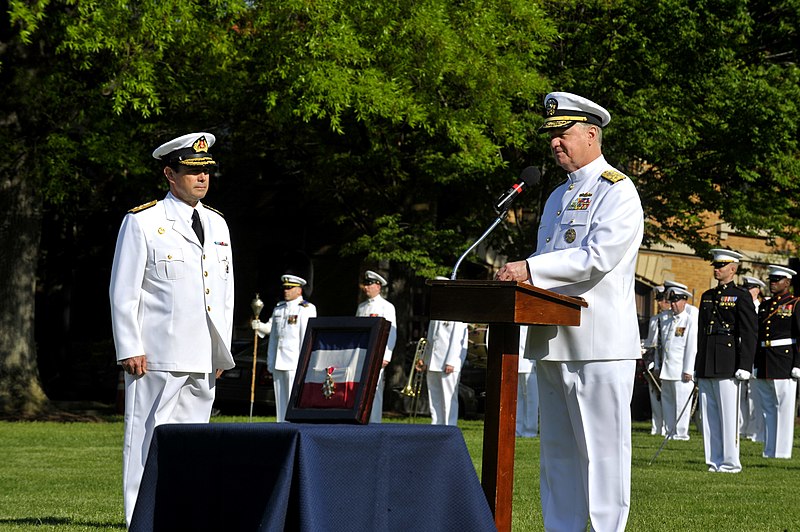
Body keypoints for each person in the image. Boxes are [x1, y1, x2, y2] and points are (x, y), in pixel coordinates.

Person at [494, 91, 643, 531]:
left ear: (592, 134)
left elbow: (598, 256)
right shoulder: (557, 197)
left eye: (564, 133)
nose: (556, 142)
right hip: (552, 340)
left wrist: (529, 268)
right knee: (557, 454)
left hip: (600, 343)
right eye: (551, 136)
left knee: (602, 454)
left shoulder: (617, 189)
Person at [109, 132, 235, 526]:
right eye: (191, 171)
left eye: (206, 172)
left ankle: (182, 516)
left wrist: (220, 349)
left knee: (193, 445)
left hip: (201, 355)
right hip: (156, 355)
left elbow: (224, 292)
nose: (201, 179)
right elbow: (123, 289)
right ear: (169, 173)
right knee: (145, 440)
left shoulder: (217, 223)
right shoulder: (143, 221)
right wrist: (129, 345)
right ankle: (138, 520)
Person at [694, 248, 757, 473]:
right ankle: (714, 460)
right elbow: (701, 333)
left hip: (728, 360)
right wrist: (697, 364)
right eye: (715, 266)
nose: (717, 269)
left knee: (728, 415)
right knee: (709, 416)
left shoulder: (741, 296)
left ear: (733, 269)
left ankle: (731, 462)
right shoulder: (707, 295)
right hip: (707, 360)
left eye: (721, 266)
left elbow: (749, 332)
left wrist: (745, 365)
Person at [252, 274, 317, 422]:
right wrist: (259, 326)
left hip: (294, 362)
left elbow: (306, 338)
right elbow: (272, 331)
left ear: (299, 290)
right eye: (285, 288)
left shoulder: (306, 309)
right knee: (280, 400)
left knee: (292, 400)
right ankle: (281, 425)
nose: (286, 291)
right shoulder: (279, 308)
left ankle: (293, 425)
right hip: (278, 361)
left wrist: (305, 363)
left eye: (290, 288)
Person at [753, 265, 800, 458]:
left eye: (777, 279)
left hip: (784, 360)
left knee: (784, 409)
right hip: (765, 359)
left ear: (787, 282)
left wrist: (798, 363)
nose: (773, 283)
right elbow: (757, 336)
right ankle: (769, 449)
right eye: (771, 279)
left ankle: (782, 452)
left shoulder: (795, 304)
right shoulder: (765, 305)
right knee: (768, 409)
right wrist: (755, 363)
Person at [356, 270, 397, 423]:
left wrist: (386, 355)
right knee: (361, 389)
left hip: (376, 353)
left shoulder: (386, 307)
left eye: (370, 284)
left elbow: (391, 333)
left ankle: (374, 421)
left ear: (378, 286)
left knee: (375, 389)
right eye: (365, 284)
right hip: (362, 353)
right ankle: (362, 419)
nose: (366, 288)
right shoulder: (362, 307)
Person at [660, 287, 698, 440]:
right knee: (668, 402)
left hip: (681, 370)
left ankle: (681, 433)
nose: (673, 305)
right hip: (667, 368)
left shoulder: (689, 320)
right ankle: (669, 431)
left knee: (681, 403)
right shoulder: (667, 320)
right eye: (672, 301)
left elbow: (691, 346)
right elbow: (663, 346)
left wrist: (688, 369)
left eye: (676, 301)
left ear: (684, 301)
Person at [421, 304, 469, 426]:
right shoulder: (436, 315)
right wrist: (425, 360)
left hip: (448, 362)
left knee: (448, 397)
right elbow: (430, 339)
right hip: (434, 361)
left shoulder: (457, 316)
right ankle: (436, 423)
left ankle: (450, 424)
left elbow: (457, 340)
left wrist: (451, 362)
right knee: (434, 396)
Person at [740, 275, 767, 442]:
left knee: (754, 395)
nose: (746, 292)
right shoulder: (741, 307)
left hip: (756, 356)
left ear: (757, 290)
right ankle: (741, 428)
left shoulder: (762, 309)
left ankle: (755, 431)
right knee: (740, 394)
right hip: (741, 355)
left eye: (749, 289)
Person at [642, 286, 669, 436]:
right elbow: (650, 342)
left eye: (663, 300)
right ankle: (656, 426)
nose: (660, 304)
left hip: (667, 361)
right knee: (655, 394)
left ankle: (666, 426)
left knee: (666, 396)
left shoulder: (670, 320)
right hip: (654, 360)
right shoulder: (654, 320)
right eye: (659, 300)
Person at [516, 325, 539, 438]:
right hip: (516, 361)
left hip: (529, 363)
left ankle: (530, 430)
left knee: (531, 400)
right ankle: (517, 429)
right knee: (517, 399)